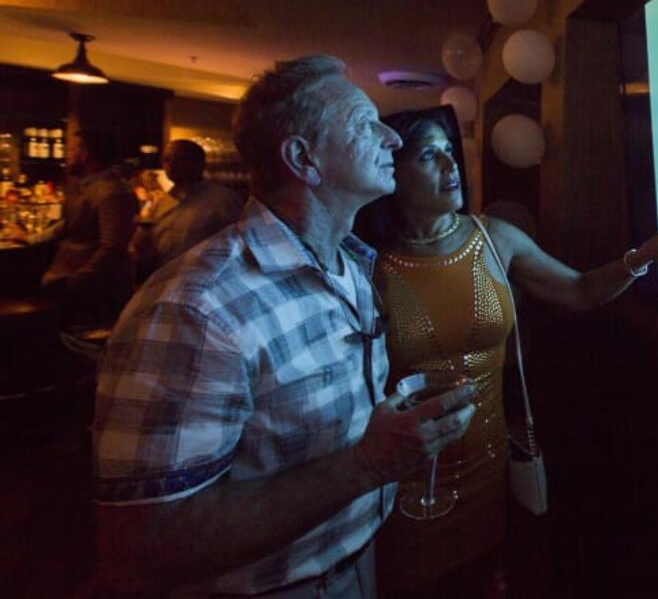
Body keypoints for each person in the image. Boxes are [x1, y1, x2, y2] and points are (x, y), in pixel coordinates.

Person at [92, 56, 478, 599]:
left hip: (360, 562)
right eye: (365, 124)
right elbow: (143, 543)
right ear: (304, 158)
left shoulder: (351, 262)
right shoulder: (197, 306)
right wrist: (367, 465)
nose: (392, 140)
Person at [353, 106, 658, 598]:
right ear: (393, 171)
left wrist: (643, 256)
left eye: (451, 152)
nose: (452, 167)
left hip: (490, 471)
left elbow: (578, 290)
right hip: (405, 485)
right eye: (430, 156)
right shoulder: (366, 262)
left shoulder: (493, 237)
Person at [40, 129, 140, 324]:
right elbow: (71, 224)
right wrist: (31, 238)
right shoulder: (92, 187)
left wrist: (78, 279)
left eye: (71, 151)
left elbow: (113, 247)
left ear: (84, 155)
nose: (68, 157)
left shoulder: (112, 191)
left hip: (93, 291)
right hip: (76, 282)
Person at [131, 138, 244, 281]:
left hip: (208, 283)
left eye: (180, 160)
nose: (171, 165)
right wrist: (142, 246)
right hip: (166, 284)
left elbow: (240, 247)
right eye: (167, 160)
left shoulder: (223, 200)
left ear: (199, 164)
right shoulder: (159, 205)